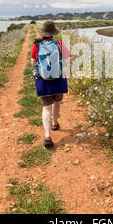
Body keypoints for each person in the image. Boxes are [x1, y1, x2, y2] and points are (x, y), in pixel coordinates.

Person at [31, 20, 70, 148]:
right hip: (58, 79)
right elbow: (66, 62)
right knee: (57, 102)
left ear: (43, 33)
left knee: (46, 107)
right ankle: (55, 123)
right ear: (53, 33)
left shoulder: (37, 45)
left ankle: (48, 136)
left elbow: (33, 63)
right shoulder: (59, 44)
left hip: (43, 80)